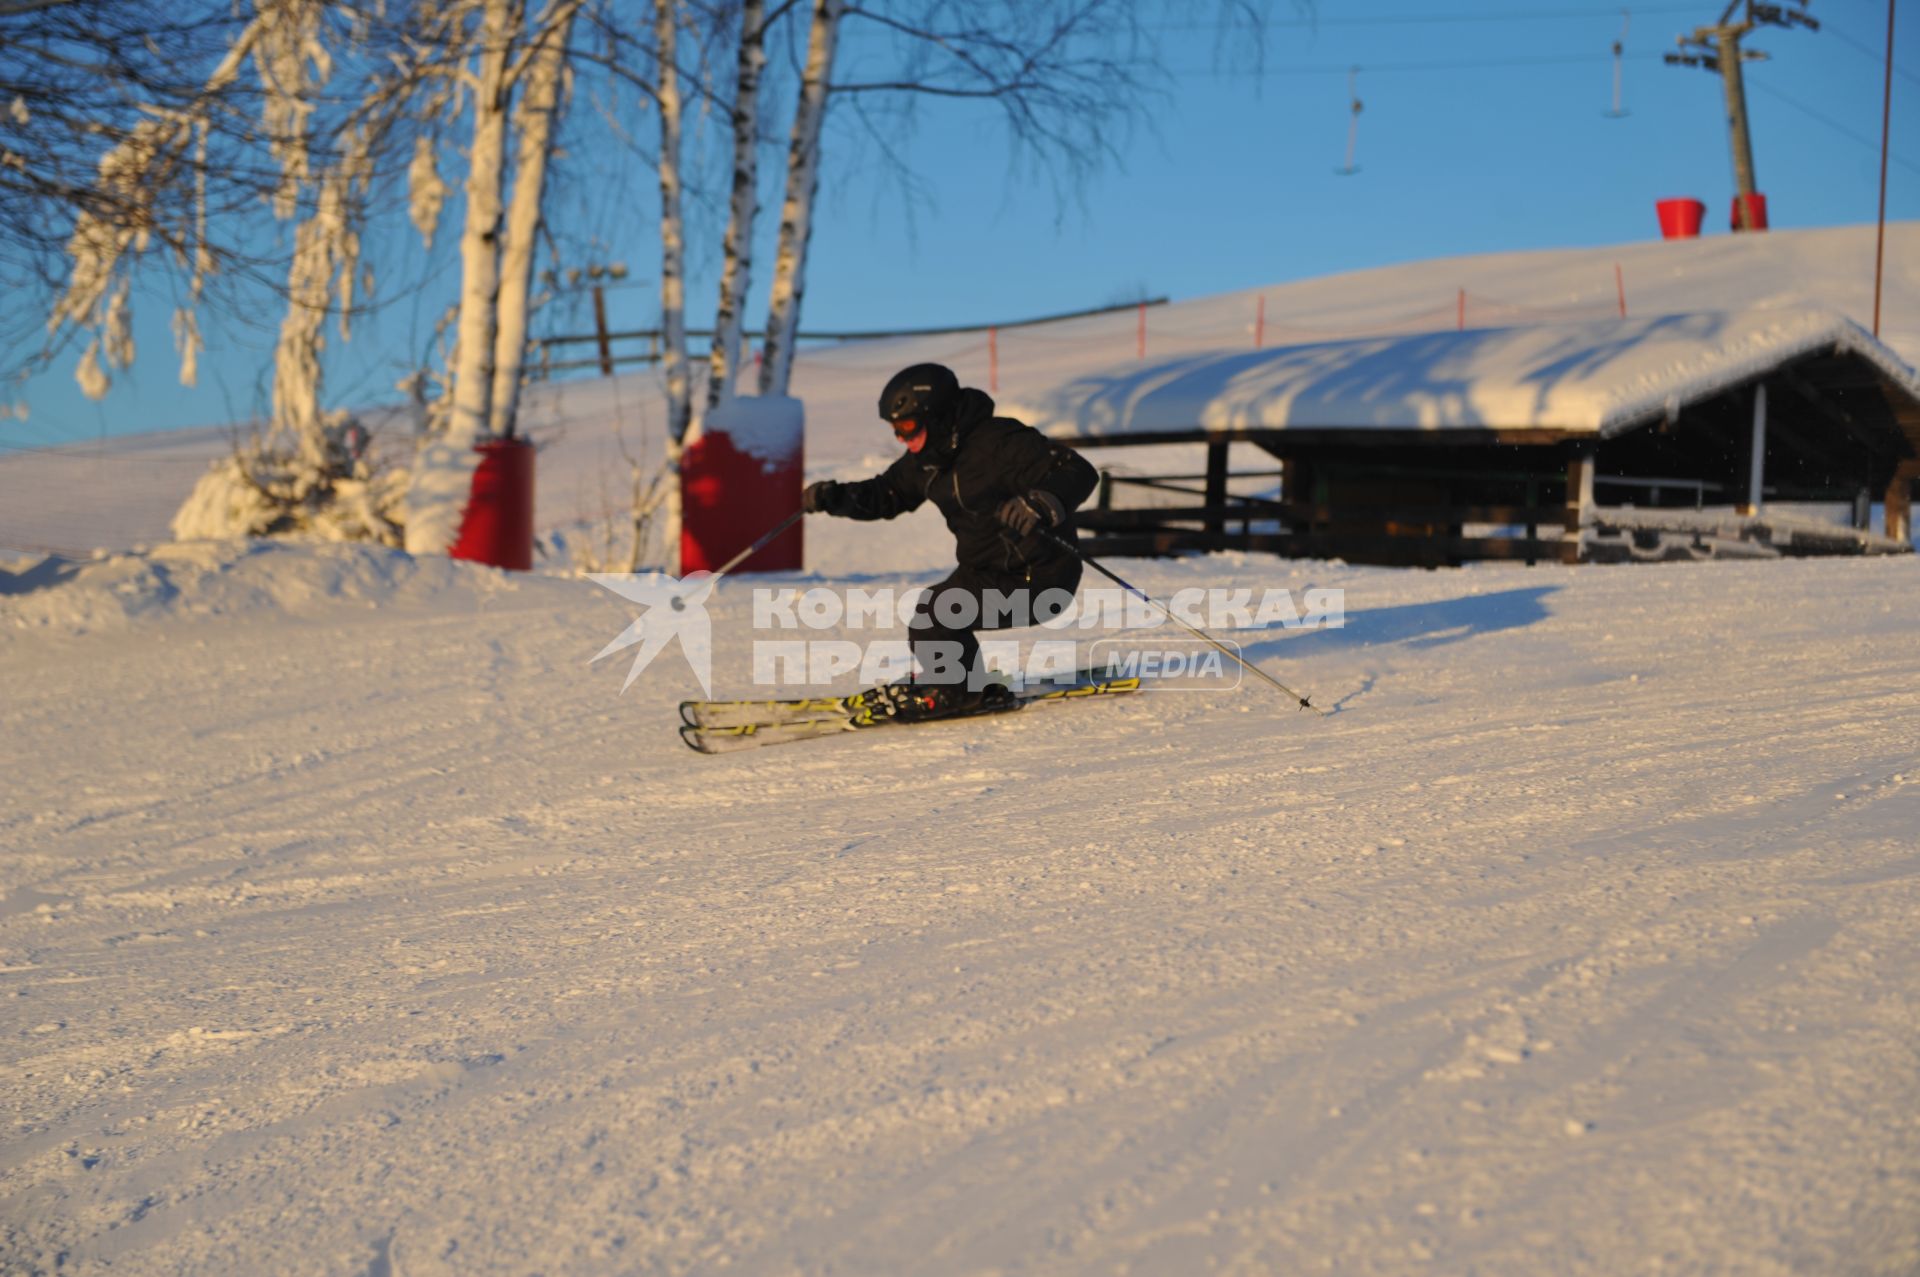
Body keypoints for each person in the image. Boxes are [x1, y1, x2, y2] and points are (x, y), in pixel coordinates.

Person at [803, 362, 1099, 720]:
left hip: (1042, 576)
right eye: (896, 430)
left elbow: (1076, 470)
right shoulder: (927, 461)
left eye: (908, 426)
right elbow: (887, 493)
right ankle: (965, 684)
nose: (902, 438)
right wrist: (833, 498)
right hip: (984, 572)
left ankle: (960, 693)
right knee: (931, 619)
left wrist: (1041, 501)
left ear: (937, 414)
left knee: (937, 613)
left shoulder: (999, 442)